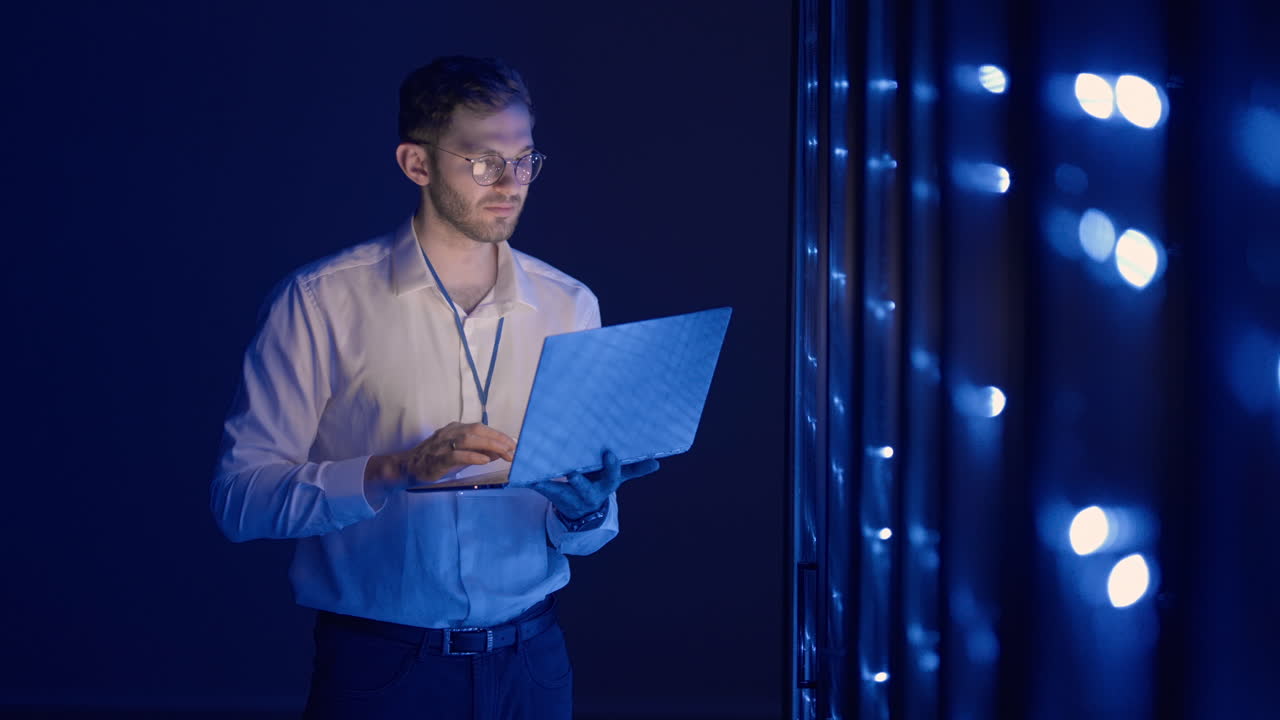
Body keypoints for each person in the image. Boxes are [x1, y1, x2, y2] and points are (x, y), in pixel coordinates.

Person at [210, 55, 659, 720]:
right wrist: (395, 469)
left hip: (533, 667)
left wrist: (587, 509)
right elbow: (238, 502)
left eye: (525, 159)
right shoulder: (320, 302)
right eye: (482, 161)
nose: (510, 183)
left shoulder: (571, 305)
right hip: (381, 672)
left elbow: (591, 537)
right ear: (416, 165)